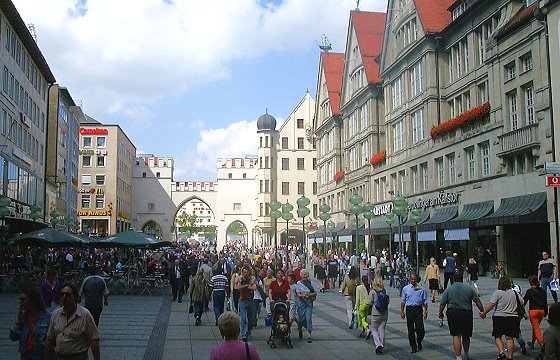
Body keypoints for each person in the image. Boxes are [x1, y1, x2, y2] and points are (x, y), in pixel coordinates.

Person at [44, 282, 100, 360]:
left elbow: (94, 340)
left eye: (67, 295)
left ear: (75, 297)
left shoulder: (85, 315)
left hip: (78, 357)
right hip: (59, 356)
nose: (64, 297)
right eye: (62, 294)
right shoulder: (56, 314)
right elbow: (49, 339)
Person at [439, 272, 484, 360]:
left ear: (454, 279)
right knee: (466, 335)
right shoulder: (469, 289)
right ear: (462, 279)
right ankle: (466, 354)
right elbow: (477, 301)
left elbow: (442, 303)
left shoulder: (449, 289)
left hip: (453, 313)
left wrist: (440, 313)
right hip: (466, 313)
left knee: (456, 335)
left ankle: (458, 357)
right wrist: (483, 311)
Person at [479, 276, 521, 360]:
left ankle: (501, 352)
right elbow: (522, 302)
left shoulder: (497, 293)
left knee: (497, 336)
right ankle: (510, 357)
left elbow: (491, 304)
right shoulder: (514, 293)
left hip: (499, 317)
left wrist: (484, 312)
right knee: (509, 338)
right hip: (512, 317)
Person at [10, 285, 52, 360]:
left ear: (32, 300)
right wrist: (18, 321)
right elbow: (13, 337)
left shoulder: (48, 316)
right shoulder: (23, 317)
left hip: (40, 355)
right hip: (25, 355)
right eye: (20, 300)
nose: (20, 302)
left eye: (23, 300)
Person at [400, 273, 429, 353]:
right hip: (409, 309)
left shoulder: (421, 289)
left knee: (421, 329)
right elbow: (403, 301)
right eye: (411, 279)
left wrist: (425, 311)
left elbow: (425, 301)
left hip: (418, 309)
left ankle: (419, 341)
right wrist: (402, 311)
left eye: (414, 279)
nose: (413, 281)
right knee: (410, 329)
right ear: (410, 279)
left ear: (416, 279)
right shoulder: (406, 289)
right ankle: (413, 346)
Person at [523, 274, 548, 350]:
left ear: (530, 282)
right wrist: (546, 312)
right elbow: (545, 302)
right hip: (541, 311)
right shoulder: (543, 291)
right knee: (535, 327)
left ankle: (542, 344)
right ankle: (532, 343)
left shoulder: (529, 291)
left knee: (536, 328)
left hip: (533, 311)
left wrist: (521, 311)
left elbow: (524, 302)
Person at [368, 276, 389, 354]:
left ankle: (378, 344)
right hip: (384, 312)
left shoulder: (373, 291)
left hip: (375, 313)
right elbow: (388, 301)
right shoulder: (385, 291)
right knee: (382, 328)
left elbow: (369, 302)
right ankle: (382, 344)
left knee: (374, 329)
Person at [236, 265, 256, 341]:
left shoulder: (252, 278)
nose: (245, 274)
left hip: (250, 300)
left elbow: (254, 288)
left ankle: (249, 331)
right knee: (243, 318)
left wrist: (245, 286)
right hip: (243, 300)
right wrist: (247, 285)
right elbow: (238, 287)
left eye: (247, 272)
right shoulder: (240, 278)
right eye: (244, 272)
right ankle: (243, 334)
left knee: (251, 320)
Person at [295, 269, 316, 343]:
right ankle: (300, 328)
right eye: (302, 274)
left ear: (307, 275)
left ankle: (309, 334)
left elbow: (315, 293)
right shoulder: (298, 283)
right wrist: (302, 295)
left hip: (308, 303)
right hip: (301, 303)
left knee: (308, 318)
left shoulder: (310, 283)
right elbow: (297, 293)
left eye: (305, 274)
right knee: (301, 319)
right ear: (300, 275)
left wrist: (308, 294)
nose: (304, 276)